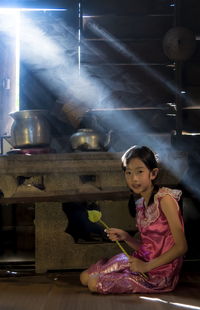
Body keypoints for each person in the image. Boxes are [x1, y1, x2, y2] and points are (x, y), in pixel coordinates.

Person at [80, 146, 188, 294]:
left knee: (94, 283)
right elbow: (148, 250)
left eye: (139, 171)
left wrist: (145, 267)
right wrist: (126, 237)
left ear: (153, 173)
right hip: (142, 263)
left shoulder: (165, 199)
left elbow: (181, 247)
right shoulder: (141, 204)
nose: (134, 178)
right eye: (128, 173)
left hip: (159, 273)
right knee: (85, 277)